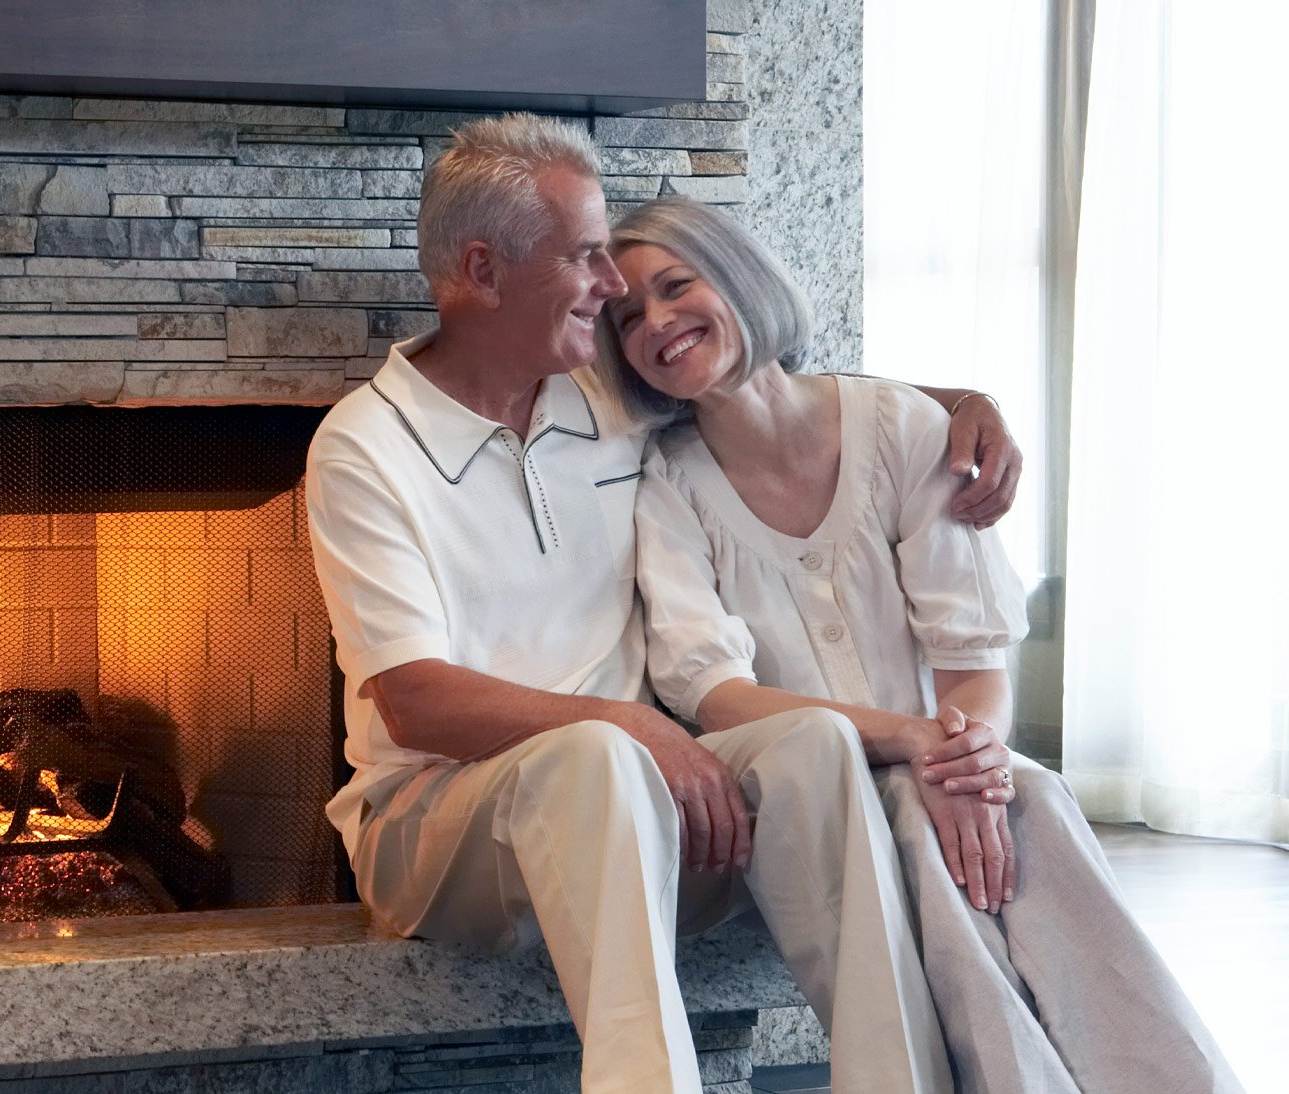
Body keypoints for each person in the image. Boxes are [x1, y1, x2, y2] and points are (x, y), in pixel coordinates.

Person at [305, 113, 1018, 1094]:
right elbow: (413, 700)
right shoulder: (365, 447)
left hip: (644, 790)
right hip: (434, 821)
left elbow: (766, 387)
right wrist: (632, 722)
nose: (611, 292)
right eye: (587, 258)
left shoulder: (603, 405)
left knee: (812, 743)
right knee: (595, 756)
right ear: (482, 268)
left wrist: (961, 402)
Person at [597, 195, 1243, 1093]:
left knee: (1036, 796)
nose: (657, 323)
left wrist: (968, 754)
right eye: (627, 318)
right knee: (910, 818)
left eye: (676, 286)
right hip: (803, 782)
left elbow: (974, 662)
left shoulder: (905, 429)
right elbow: (718, 696)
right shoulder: (665, 486)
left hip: (937, 757)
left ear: (738, 277)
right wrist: (913, 745)